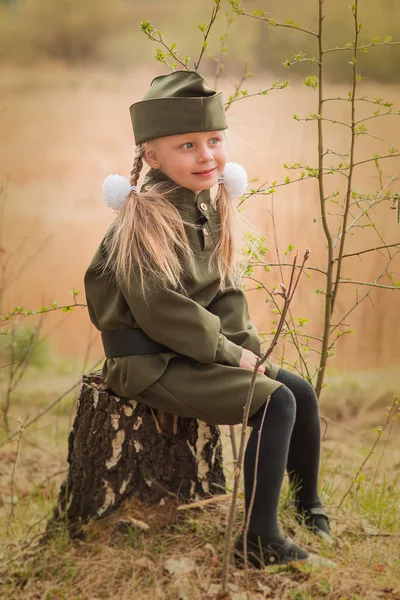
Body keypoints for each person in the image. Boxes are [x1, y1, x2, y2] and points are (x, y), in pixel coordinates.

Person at [84, 70, 332, 568]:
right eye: (187, 145)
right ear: (152, 156)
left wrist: (250, 353)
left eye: (214, 141)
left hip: (187, 350)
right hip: (149, 360)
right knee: (275, 403)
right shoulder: (144, 220)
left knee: (298, 391)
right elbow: (161, 312)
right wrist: (226, 353)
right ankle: (259, 538)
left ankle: (309, 505)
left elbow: (225, 294)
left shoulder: (209, 209)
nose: (207, 156)